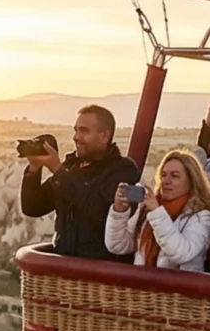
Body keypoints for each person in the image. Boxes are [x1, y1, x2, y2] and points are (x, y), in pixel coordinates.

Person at [21, 105, 140, 261]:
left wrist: (57, 169)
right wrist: (34, 170)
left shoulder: (124, 170)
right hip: (64, 270)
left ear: (105, 135)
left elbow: (97, 209)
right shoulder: (71, 168)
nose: (76, 137)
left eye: (84, 131)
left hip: (102, 274)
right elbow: (32, 207)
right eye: (76, 130)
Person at [106, 149, 210, 270]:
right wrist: (119, 211)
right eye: (163, 175)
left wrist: (156, 212)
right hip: (144, 285)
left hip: (180, 287)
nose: (166, 181)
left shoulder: (201, 216)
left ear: (192, 181)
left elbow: (182, 253)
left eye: (174, 176)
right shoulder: (149, 208)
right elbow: (118, 246)